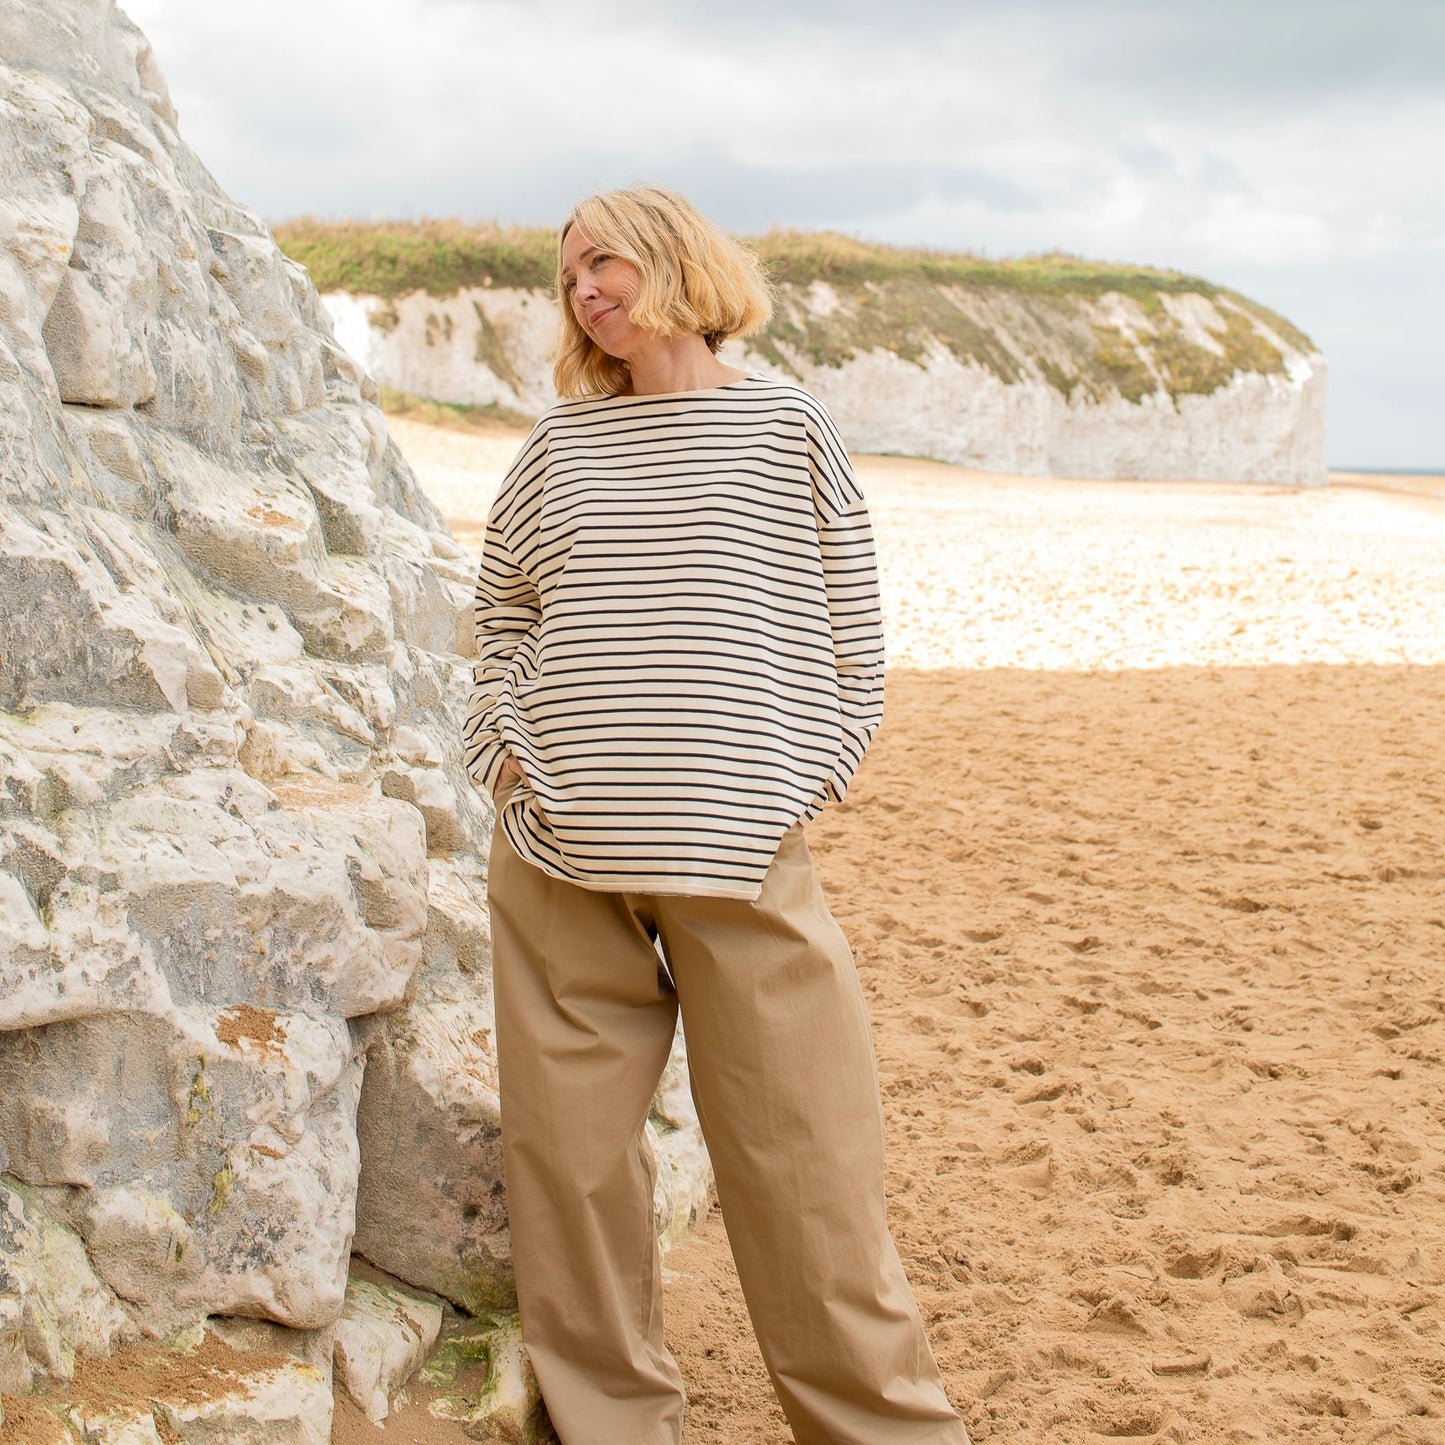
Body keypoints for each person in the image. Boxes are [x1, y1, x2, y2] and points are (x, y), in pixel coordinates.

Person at [464, 185, 969, 1445]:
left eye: (605, 262)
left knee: (806, 1166)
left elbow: (854, 633)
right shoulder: (558, 446)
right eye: (569, 275)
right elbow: (502, 617)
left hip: (738, 848)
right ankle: (609, 1425)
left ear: (676, 262)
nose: (586, 290)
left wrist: (815, 765)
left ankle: (879, 1428)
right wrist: (501, 744)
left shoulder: (788, 428)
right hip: (558, 851)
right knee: (571, 1171)